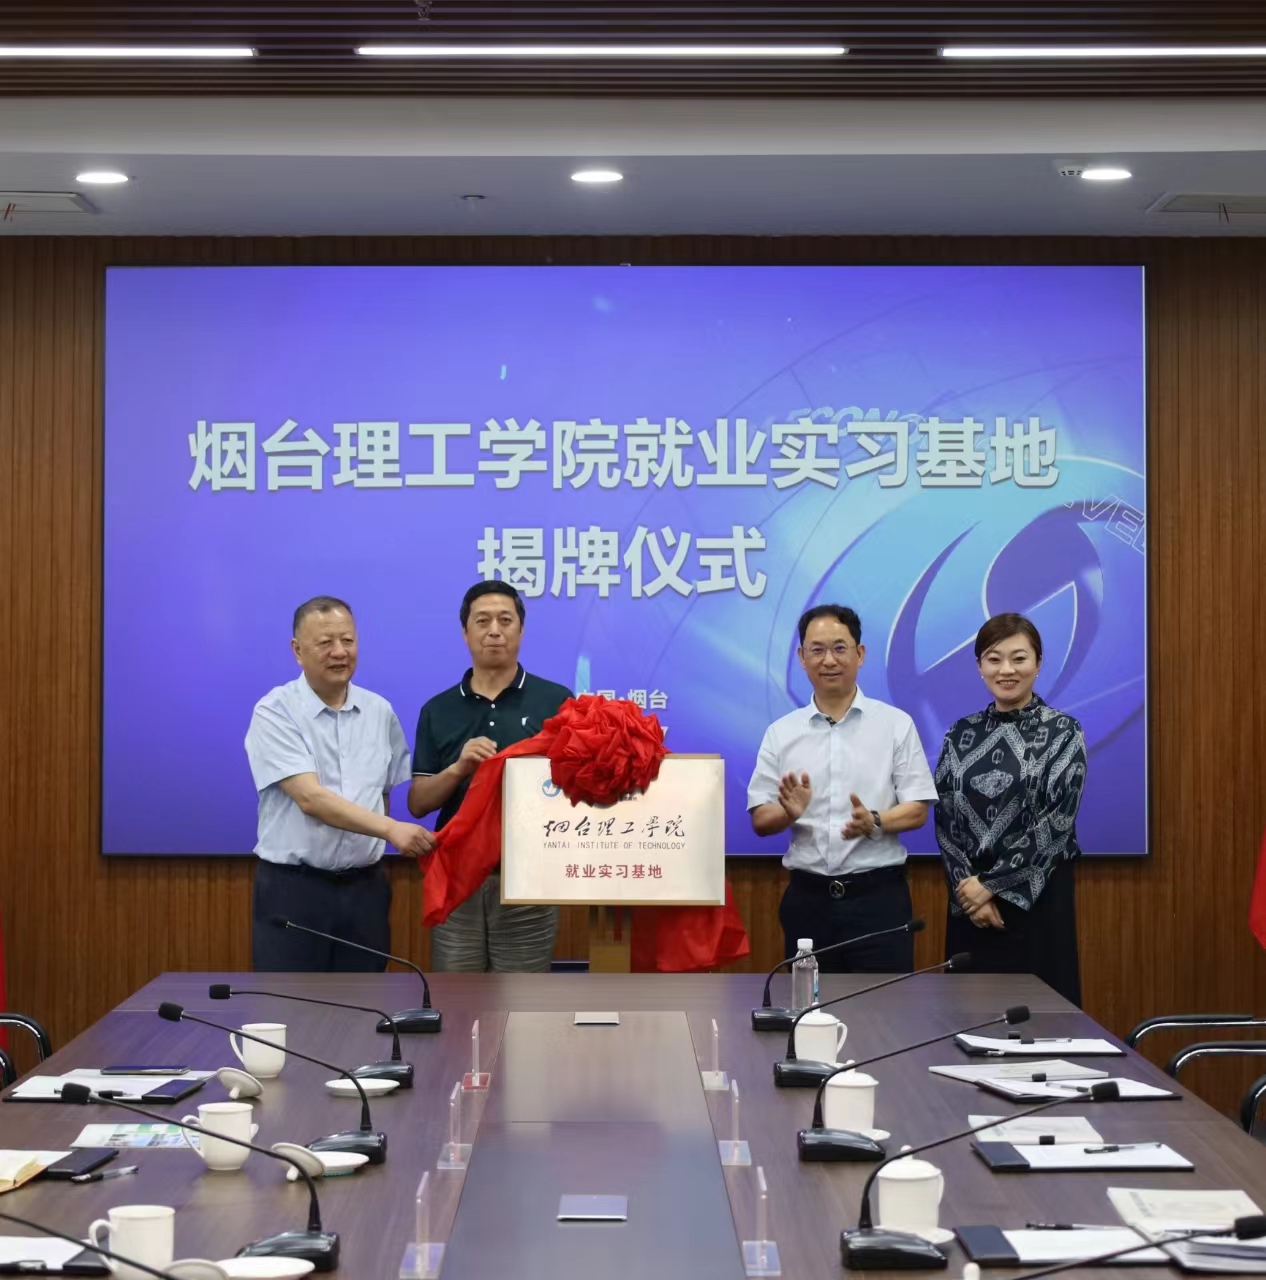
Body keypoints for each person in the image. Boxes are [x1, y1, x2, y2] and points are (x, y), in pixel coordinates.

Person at [244, 596, 435, 972]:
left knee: (365, 1002)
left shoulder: (379, 711)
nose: (339, 652)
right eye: (325, 642)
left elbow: (382, 794)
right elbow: (310, 798)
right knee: (292, 1002)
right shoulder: (275, 711)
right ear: (297, 650)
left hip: (365, 890)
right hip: (295, 890)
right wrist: (390, 829)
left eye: (348, 640)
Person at [747, 604, 938, 972]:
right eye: (817, 650)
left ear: (860, 654)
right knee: (809, 1004)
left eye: (839, 648)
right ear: (802, 658)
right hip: (808, 902)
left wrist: (876, 821)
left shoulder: (895, 725)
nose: (829, 660)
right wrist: (788, 812)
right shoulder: (781, 733)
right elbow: (760, 819)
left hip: (879, 900)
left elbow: (917, 809)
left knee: (884, 1005)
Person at [409, 581, 573, 972]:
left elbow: (576, 787)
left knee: (522, 1000)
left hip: (529, 877)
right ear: (465, 632)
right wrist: (459, 769)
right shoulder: (438, 709)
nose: (494, 631)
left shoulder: (557, 701)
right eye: (482, 621)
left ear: (521, 629)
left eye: (505, 620)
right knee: (458, 998)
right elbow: (418, 803)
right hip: (456, 878)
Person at [934, 612, 1087, 1006]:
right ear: (979, 666)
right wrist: (969, 891)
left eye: (1019, 658)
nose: (1006, 670)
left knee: (1043, 1019)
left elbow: (1057, 821)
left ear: (1038, 663)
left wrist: (992, 885)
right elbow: (945, 819)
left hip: (1038, 901)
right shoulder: (959, 733)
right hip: (970, 905)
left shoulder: (1063, 731)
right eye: (994, 659)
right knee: (966, 1017)